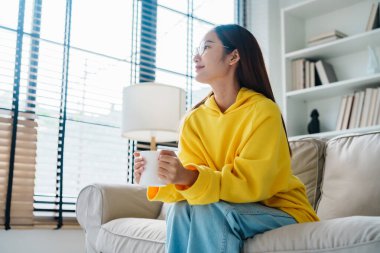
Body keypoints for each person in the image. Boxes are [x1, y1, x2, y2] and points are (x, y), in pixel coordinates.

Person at [134, 24, 319, 253]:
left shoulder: (262, 111)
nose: (195, 56)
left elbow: (253, 183)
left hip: (280, 209)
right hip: (227, 207)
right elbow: (195, 186)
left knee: (207, 209)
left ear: (233, 56)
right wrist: (166, 176)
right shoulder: (194, 119)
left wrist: (191, 177)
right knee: (180, 209)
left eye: (206, 47)